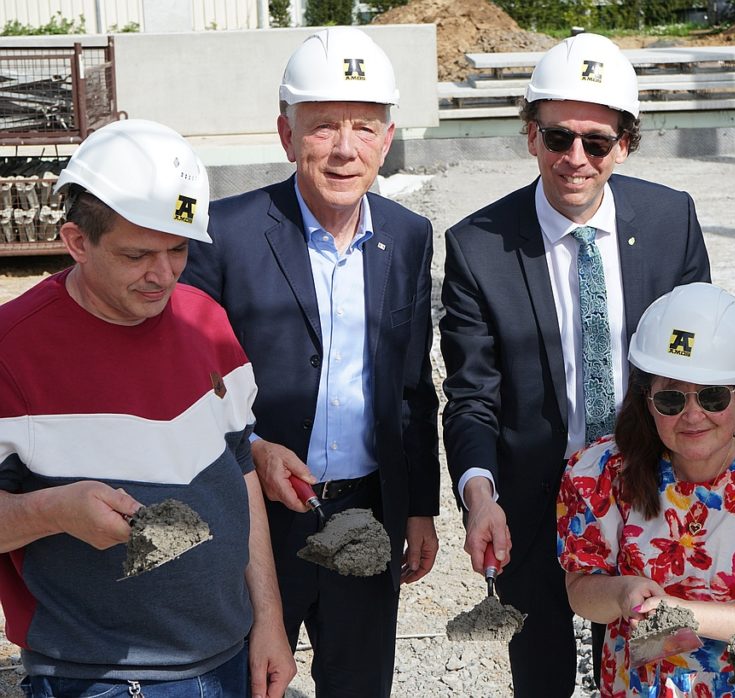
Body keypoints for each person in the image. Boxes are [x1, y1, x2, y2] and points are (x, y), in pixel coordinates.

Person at [440, 32, 712, 695]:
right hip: (534, 501)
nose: (576, 159)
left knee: (657, 667)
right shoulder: (478, 248)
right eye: (558, 137)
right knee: (542, 675)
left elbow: (700, 363)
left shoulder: (670, 220)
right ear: (530, 136)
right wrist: (480, 495)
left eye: (597, 142)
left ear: (626, 143)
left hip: (653, 488)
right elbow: (472, 393)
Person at [180, 27, 439, 697]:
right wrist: (255, 447)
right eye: (323, 127)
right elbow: (187, 380)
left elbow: (413, 387)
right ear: (286, 134)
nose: (345, 149)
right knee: (248, 681)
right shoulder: (225, 234)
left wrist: (418, 509)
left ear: (387, 137)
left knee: (359, 684)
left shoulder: (408, 238)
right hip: (255, 520)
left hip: (364, 513)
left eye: (364, 127)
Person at [0, 119, 295, 697]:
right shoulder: (13, 350)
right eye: (137, 255)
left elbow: (238, 470)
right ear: (77, 241)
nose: (164, 276)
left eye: (179, 250)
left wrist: (269, 622)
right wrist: (55, 511)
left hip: (228, 660)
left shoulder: (205, 320)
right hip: (98, 679)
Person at [558, 283, 735, 697]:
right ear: (648, 397)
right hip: (647, 684)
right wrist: (621, 595)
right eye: (672, 400)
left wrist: (682, 615)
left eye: (712, 397)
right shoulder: (599, 471)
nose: (693, 416)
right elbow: (580, 590)